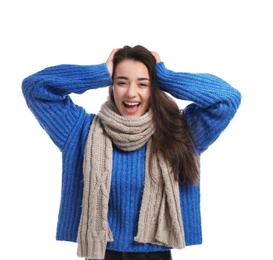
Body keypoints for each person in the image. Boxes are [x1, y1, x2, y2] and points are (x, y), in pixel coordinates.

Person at [22, 45, 241, 260]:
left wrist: (165, 77)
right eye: (121, 82)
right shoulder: (80, 131)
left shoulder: (181, 132)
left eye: (143, 84)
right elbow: (35, 87)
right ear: (111, 85)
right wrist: (100, 72)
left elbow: (227, 99)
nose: (131, 93)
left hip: (156, 253)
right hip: (101, 253)